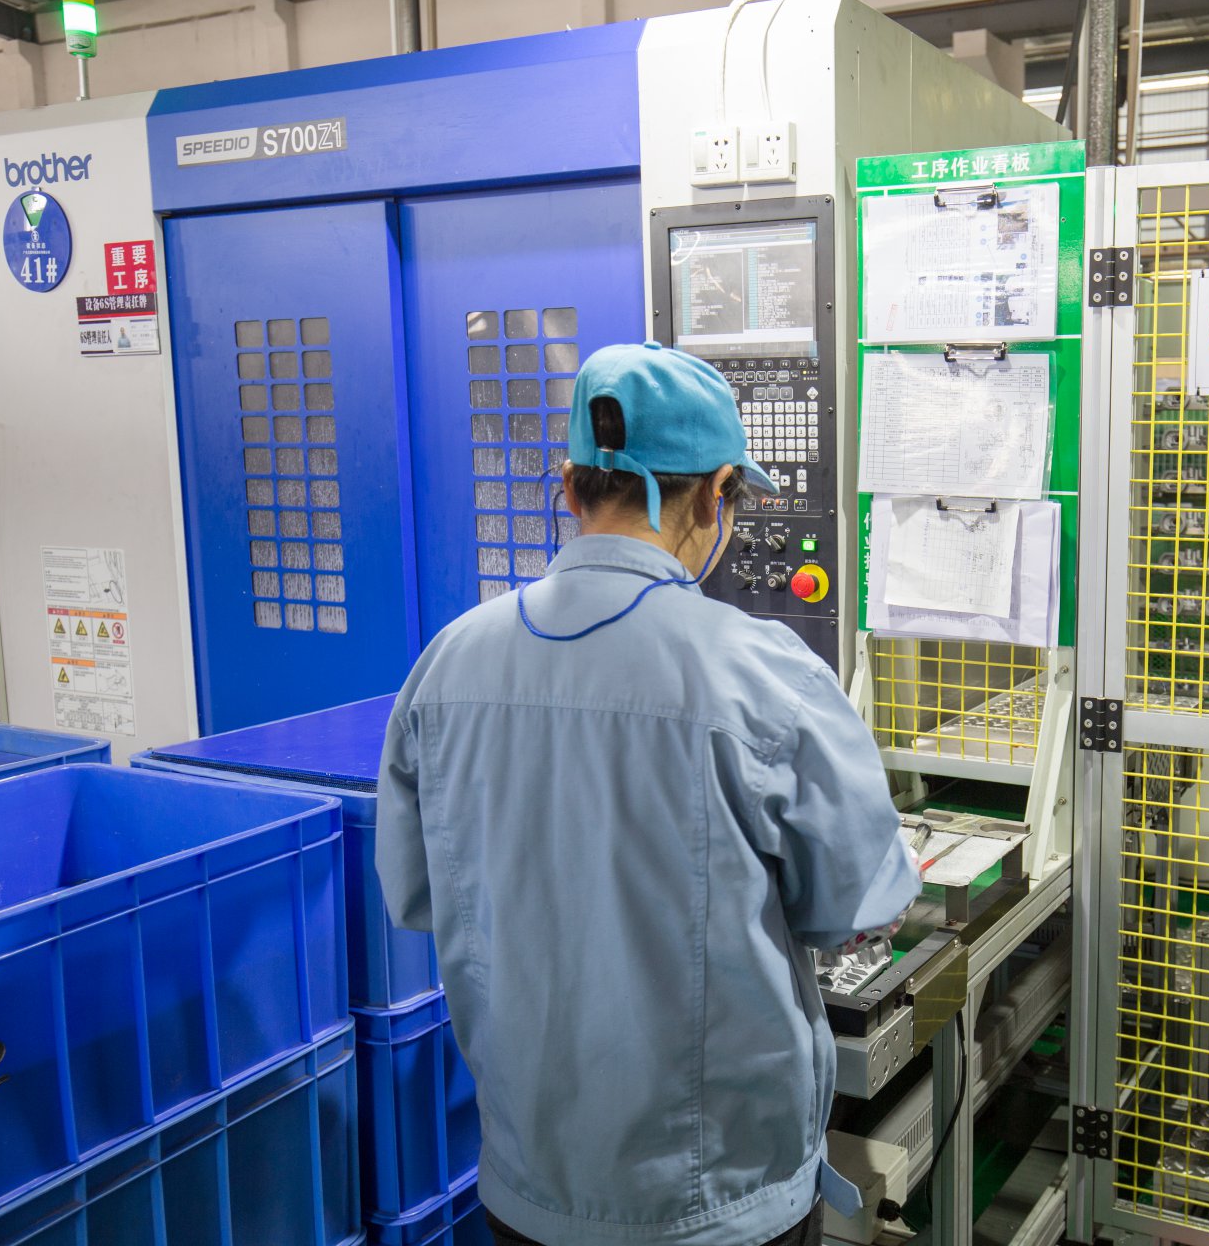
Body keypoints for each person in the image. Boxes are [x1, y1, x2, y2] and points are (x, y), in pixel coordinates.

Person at [377, 341, 920, 1246]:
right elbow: (856, 906)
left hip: (528, 1186)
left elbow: (415, 894)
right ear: (713, 496)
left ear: (568, 488)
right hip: (714, 1205)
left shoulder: (447, 665)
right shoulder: (765, 675)